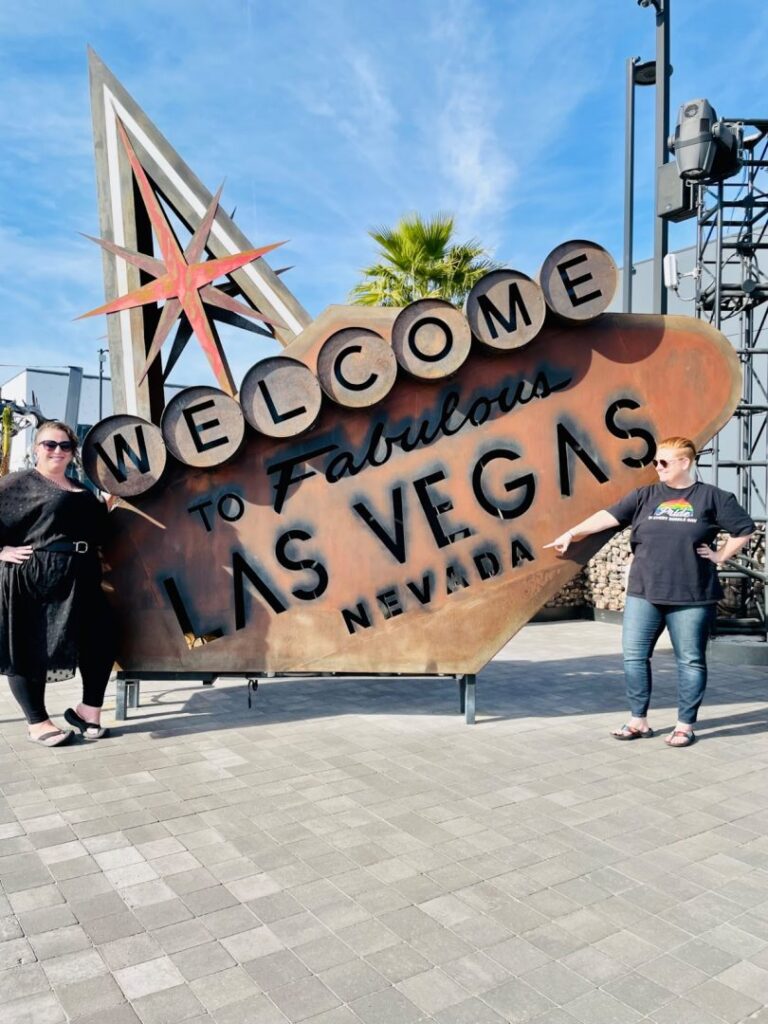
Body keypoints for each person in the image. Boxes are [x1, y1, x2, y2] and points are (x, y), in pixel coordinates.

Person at [544, 437, 755, 747]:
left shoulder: (713, 498)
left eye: (664, 462)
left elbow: (744, 528)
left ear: (685, 462)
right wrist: (573, 532)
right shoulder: (645, 495)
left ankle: (684, 725)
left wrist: (721, 555)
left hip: (691, 596)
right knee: (634, 658)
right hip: (644, 592)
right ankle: (638, 720)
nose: (657, 467)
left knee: (690, 660)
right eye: (655, 462)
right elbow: (608, 516)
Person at [0, 421, 115, 746]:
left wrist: (109, 504)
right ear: (36, 448)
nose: (58, 451)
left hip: (81, 578)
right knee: (27, 647)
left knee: (102, 637)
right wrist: (2, 550)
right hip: (33, 578)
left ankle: (87, 711)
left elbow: (102, 535)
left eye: (65, 446)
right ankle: (37, 722)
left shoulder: (80, 488)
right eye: (50, 444)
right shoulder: (19, 483)